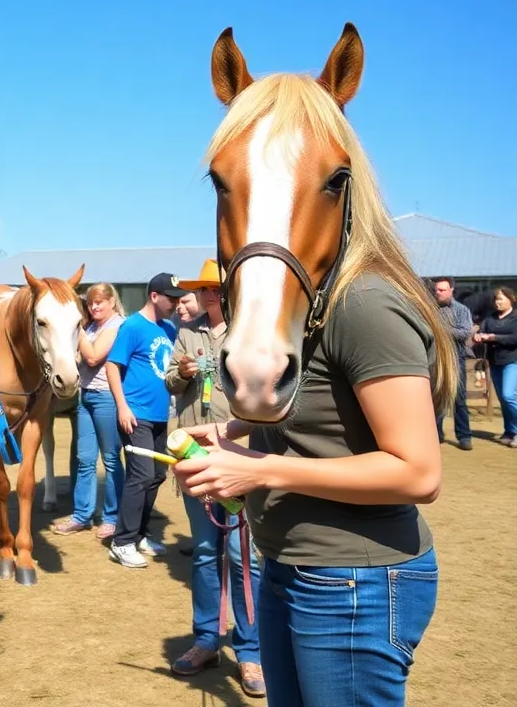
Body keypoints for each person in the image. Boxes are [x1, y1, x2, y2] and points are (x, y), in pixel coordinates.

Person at [173, 255, 452, 704]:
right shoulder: (304, 307)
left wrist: (257, 469)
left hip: (353, 582)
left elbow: (418, 474)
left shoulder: (362, 304)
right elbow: (321, 401)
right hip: (288, 566)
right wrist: (233, 429)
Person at [164, 259, 264, 698]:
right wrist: (180, 374)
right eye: (202, 289)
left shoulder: (251, 331)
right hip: (193, 453)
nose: (207, 295)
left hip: (238, 454)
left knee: (244, 558)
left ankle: (251, 651)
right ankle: (206, 641)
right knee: (206, 552)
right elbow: (169, 380)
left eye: (214, 288)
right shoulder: (186, 332)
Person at [106, 272, 184, 568]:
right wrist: (122, 407)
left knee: (157, 476)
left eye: (178, 299)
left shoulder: (167, 327)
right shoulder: (132, 326)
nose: (175, 304)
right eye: (171, 298)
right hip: (135, 415)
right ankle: (121, 542)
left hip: (160, 415)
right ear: (154, 296)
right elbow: (113, 366)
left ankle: (138, 534)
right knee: (139, 476)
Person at [53, 283, 126, 538]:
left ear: (112, 303)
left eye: (100, 302)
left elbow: (94, 357)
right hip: (86, 397)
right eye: (92, 303)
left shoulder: (117, 325)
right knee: (85, 460)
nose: (94, 306)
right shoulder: (93, 326)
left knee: (111, 460)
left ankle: (112, 517)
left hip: (107, 398)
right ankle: (82, 515)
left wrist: (75, 328)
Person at [431, 277, 474, 449]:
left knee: (459, 399)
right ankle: (436, 434)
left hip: (456, 358)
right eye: (436, 290)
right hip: (435, 359)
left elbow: (465, 333)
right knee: (438, 397)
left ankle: (464, 436)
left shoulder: (462, 310)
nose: (438, 293)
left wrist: (440, 331)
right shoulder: (430, 309)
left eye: (442, 290)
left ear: (451, 291)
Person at [474, 286, 517, 447]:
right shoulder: (490, 318)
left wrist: (494, 337)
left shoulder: (515, 317)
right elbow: (481, 331)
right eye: (496, 299)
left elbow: (514, 338)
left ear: (510, 298)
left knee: (508, 395)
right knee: (503, 400)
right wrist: (478, 336)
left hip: (513, 360)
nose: (497, 302)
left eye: (500, 299)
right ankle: (510, 430)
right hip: (495, 361)